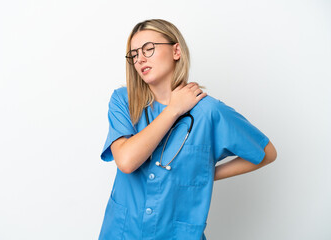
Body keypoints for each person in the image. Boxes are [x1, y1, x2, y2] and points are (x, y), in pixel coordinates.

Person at [99, 19, 277, 240]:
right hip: (123, 232)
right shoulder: (123, 101)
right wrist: (173, 109)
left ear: (176, 50)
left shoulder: (208, 112)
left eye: (148, 49)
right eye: (134, 54)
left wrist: (206, 175)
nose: (140, 59)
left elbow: (266, 153)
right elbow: (126, 161)